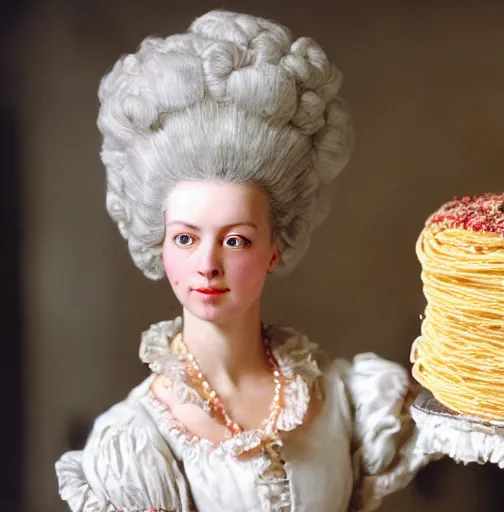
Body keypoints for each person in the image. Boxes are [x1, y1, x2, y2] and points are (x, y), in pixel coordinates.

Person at [54, 10, 429, 511]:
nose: (207, 264)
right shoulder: (138, 438)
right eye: (185, 239)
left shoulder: (346, 400)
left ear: (276, 247)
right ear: (158, 244)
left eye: (235, 241)